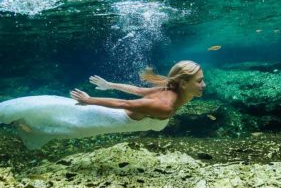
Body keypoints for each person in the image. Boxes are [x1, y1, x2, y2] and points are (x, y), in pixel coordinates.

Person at [0, 61, 205, 149]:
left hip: (107, 117)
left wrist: (109, 85)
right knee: (60, 124)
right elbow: (127, 103)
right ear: (184, 83)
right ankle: (18, 120)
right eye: (199, 81)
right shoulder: (165, 105)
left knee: (56, 116)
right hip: (102, 118)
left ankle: (22, 122)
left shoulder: (169, 90)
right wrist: (90, 100)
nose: (204, 85)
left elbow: (136, 90)